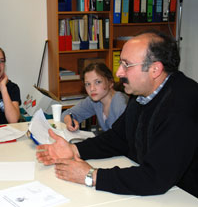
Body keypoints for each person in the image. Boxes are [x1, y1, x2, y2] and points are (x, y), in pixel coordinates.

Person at [36, 29, 198, 197]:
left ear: (155, 69)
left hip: (185, 197)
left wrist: (92, 176)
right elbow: (118, 138)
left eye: (126, 65)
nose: (119, 72)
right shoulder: (140, 94)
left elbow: (155, 177)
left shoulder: (183, 102)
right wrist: (74, 150)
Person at [61, 62, 128, 132]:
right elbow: (66, 114)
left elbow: (122, 138)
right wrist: (69, 121)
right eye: (87, 84)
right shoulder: (94, 100)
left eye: (98, 82)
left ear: (110, 82)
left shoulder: (120, 103)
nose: (92, 88)